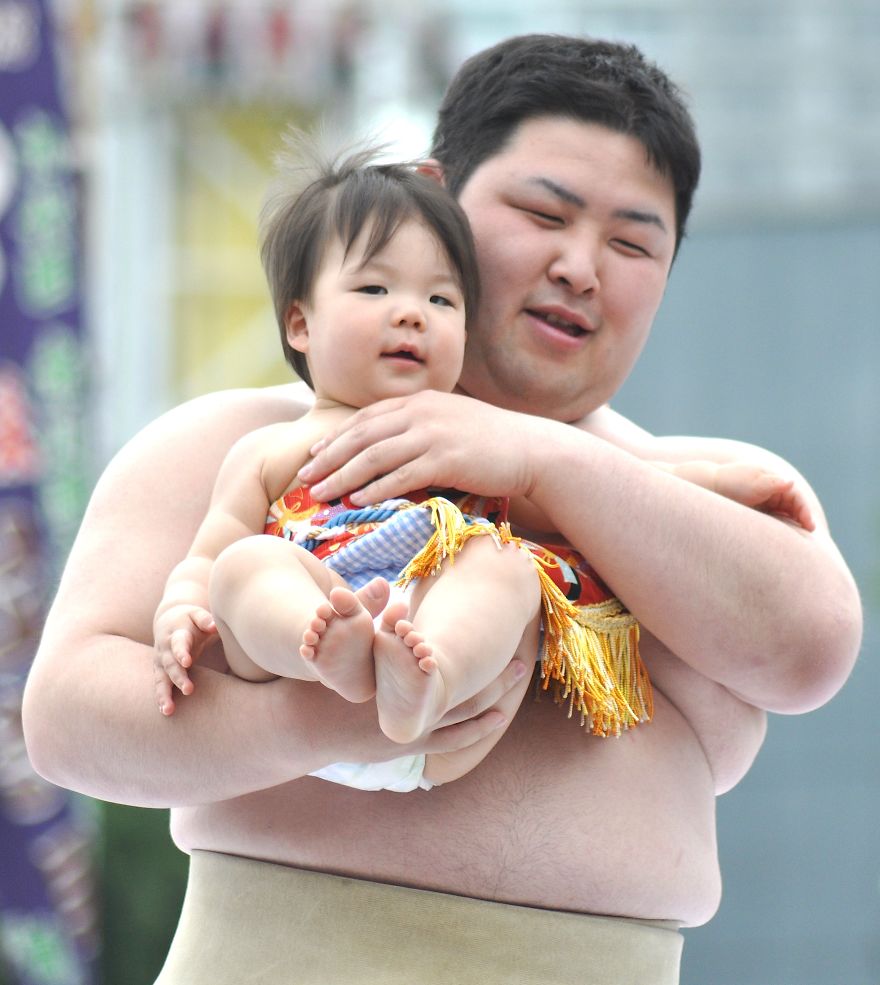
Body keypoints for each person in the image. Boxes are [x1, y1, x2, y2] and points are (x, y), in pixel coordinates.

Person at [22, 34, 861, 985]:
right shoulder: (243, 445)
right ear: (437, 195)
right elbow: (66, 720)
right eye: (543, 213)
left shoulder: (697, 490)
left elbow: (811, 647)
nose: (581, 266)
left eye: (633, 243)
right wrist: (318, 725)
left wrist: (543, 463)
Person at [152, 139, 815, 793]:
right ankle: (329, 646)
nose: (411, 314)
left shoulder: (472, 443)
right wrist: (181, 611)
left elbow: (604, 495)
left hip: (440, 714)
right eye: (375, 287)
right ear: (300, 323)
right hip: (302, 677)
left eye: (441, 301)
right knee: (244, 565)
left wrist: (716, 484)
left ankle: (428, 673)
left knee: (506, 564)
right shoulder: (269, 448)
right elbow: (207, 557)